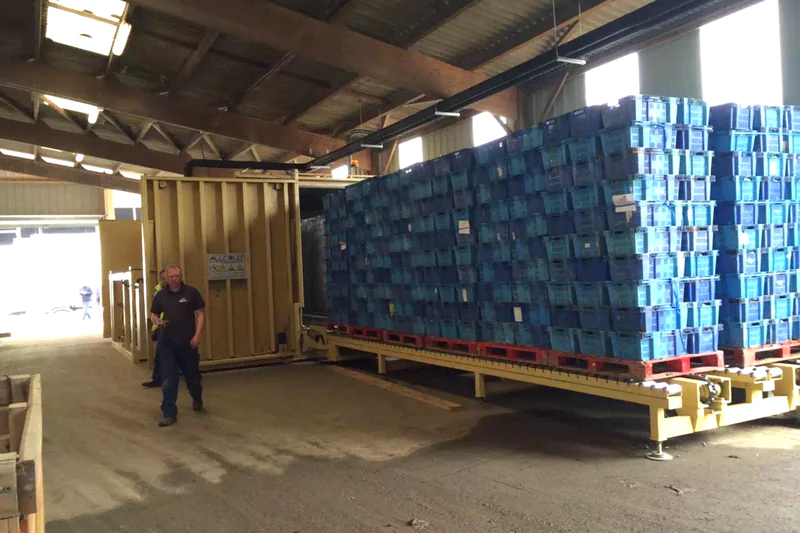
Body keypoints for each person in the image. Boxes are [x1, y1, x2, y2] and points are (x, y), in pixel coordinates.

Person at [150, 265, 205, 427]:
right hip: (167, 343)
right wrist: (157, 321)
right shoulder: (160, 295)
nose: (174, 279)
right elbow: (153, 314)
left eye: (177, 276)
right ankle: (169, 413)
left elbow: (200, 313)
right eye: (171, 276)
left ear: (181, 276)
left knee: (192, 377)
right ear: (166, 278)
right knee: (169, 379)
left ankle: (197, 397)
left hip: (187, 343)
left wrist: (197, 334)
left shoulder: (191, 293)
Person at [142, 270, 167, 389]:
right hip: (161, 328)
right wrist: (155, 328)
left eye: (165, 278)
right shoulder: (159, 292)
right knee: (159, 356)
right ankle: (157, 379)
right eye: (162, 278)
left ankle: (193, 376)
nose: (164, 281)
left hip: (171, 328)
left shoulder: (177, 293)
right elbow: (155, 314)